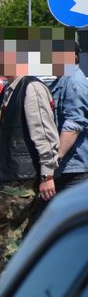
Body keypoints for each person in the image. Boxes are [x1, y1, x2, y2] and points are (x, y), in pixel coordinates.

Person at [0, 59, 60, 297]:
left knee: (4, 233)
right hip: (13, 173)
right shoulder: (9, 89)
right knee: (10, 233)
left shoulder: (31, 88)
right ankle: (5, 291)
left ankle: (0, 291)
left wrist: (47, 173)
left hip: (25, 175)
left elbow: (44, 133)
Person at [53, 47, 88, 192]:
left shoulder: (74, 82)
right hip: (66, 167)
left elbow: (74, 124)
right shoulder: (61, 81)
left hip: (73, 169)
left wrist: (55, 157)